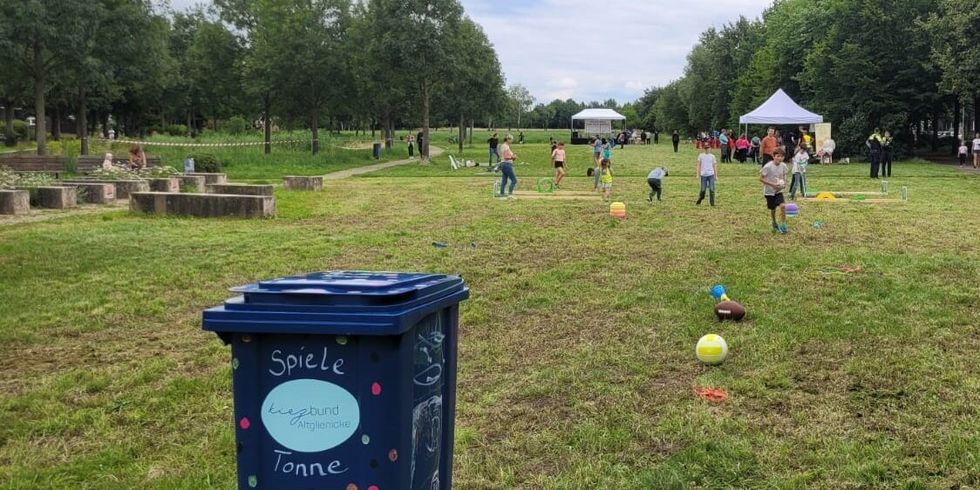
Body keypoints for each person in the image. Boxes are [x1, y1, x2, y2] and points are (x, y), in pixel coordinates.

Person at [760, 148, 789, 234]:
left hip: (778, 191)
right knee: (773, 209)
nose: (780, 158)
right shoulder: (768, 166)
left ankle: (783, 225)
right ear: (774, 156)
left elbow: (784, 175)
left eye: (782, 156)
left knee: (783, 206)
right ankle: (774, 222)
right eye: (778, 156)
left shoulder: (783, 166)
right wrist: (772, 184)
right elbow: (761, 179)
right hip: (769, 191)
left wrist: (784, 183)